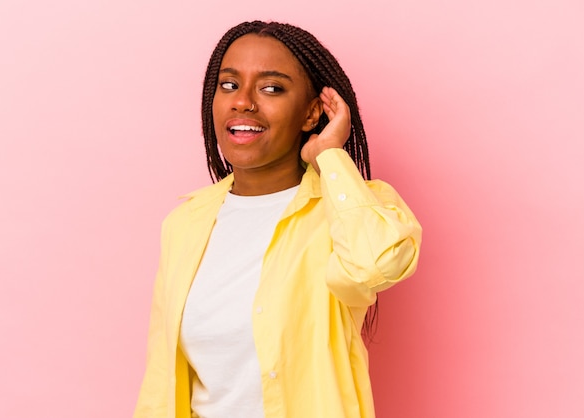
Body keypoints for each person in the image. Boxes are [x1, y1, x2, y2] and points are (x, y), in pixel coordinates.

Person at [134, 20, 422, 418]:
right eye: (229, 85)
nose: (243, 102)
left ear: (311, 113)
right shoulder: (185, 223)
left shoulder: (348, 206)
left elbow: (375, 266)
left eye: (271, 88)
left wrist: (329, 157)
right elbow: (162, 378)